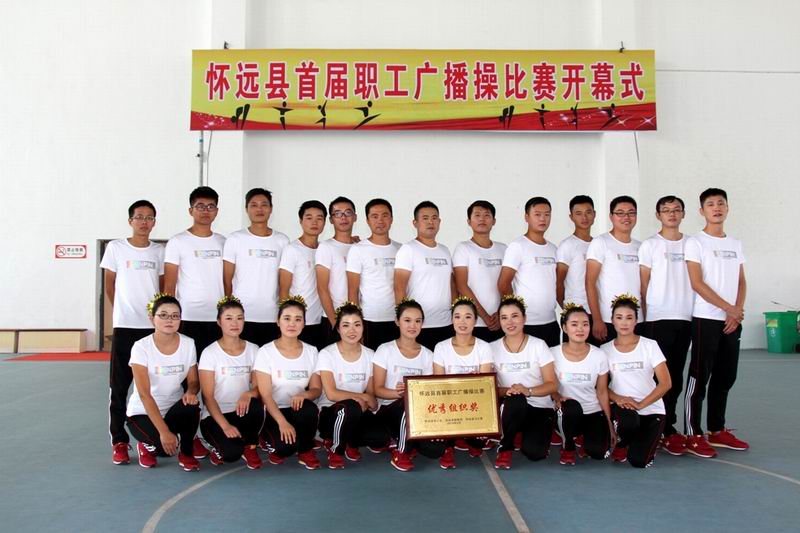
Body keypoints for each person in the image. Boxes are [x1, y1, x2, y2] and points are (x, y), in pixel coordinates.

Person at [683, 188, 749, 457]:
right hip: (706, 319)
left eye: (721, 203)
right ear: (702, 211)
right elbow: (697, 283)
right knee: (699, 378)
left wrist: (736, 311)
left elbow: (741, 281)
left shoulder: (735, 243)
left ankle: (717, 429)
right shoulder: (695, 242)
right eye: (710, 204)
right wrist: (728, 308)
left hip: (731, 320)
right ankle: (693, 433)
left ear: (727, 208)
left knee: (725, 377)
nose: (717, 208)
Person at [101, 199, 165, 465]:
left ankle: (146, 440)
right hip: (125, 327)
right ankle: (119, 441)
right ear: (130, 221)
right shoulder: (116, 248)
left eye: (149, 217)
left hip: (152, 330)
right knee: (119, 387)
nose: (144, 222)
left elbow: (162, 288)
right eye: (139, 217)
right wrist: (122, 312)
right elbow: (110, 285)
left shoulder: (159, 251)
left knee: (151, 388)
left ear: (154, 222)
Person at [639, 195, 693, 455]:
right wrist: (646, 318)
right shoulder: (650, 245)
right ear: (658, 215)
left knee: (676, 377)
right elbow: (643, 285)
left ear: (683, 214)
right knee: (657, 377)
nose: (672, 214)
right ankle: (656, 426)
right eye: (666, 210)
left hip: (685, 318)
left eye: (676, 210)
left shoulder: (692, 244)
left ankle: (669, 426)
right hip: (658, 319)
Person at [126, 294, 201, 471]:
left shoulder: (188, 344)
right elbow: (144, 394)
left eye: (175, 316)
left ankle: (187, 453)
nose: (170, 320)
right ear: (152, 318)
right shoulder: (141, 347)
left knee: (192, 405)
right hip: (143, 412)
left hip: (172, 409)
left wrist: (191, 392)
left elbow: (193, 381)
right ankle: (146, 446)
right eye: (164, 315)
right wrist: (164, 432)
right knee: (163, 450)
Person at [372, 299, 443, 472]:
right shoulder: (385, 350)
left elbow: (430, 391)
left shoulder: (428, 355)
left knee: (436, 450)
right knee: (407, 403)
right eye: (407, 320)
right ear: (397, 321)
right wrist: (399, 393)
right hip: (389, 409)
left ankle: (403, 439)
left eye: (418, 321)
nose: (413, 325)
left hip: (418, 413)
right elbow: (377, 389)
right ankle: (402, 452)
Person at [316, 303, 389, 469]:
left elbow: (372, 399)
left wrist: (366, 401)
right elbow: (332, 394)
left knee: (381, 437)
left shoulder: (370, 355)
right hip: (331, 412)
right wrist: (361, 398)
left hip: (359, 410)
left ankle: (350, 441)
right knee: (350, 408)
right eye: (346, 325)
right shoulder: (327, 354)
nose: (352, 330)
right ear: (338, 329)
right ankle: (336, 449)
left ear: (363, 327)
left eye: (357, 325)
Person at [253, 295, 322, 469]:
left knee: (309, 409)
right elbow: (265, 395)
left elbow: (316, 389)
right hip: (273, 411)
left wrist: (305, 394)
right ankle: (267, 436)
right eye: (287, 318)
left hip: (297, 409)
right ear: (278, 322)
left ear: (304, 323)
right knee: (285, 449)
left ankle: (305, 450)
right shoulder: (265, 352)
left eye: (298, 319)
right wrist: (282, 422)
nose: (292, 324)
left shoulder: (312, 351)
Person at [602, 295, 671, 468]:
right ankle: (623, 442)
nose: (624, 322)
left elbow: (665, 383)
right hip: (624, 409)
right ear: (612, 321)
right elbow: (601, 387)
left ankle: (639, 441)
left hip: (652, 409)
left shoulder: (650, 345)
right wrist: (618, 398)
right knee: (629, 422)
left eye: (629, 317)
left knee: (639, 461)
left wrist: (641, 404)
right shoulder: (605, 350)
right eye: (619, 317)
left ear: (636, 321)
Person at [490, 295, 558, 469]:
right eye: (504, 317)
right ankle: (505, 447)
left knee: (535, 453)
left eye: (515, 316)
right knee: (516, 400)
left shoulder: (539, 345)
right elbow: (489, 387)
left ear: (524, 318)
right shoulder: (491, 348)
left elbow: (552, 384)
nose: (510, 322)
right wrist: (507, 391)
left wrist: (528, 390)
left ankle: (520, 433)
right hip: (512, 405)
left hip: (539, 406)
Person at [198, 296, 264, 470]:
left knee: (256, 403)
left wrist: (249, 393)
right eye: (229, 318)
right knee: (231, 454)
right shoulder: (209, 353)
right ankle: (215, 444)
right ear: (219, 322)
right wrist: (225, 425)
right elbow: (208, 397)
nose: (235, 323)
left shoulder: (254, 350)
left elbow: (259, 387)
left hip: (241, 411)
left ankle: (250, 446)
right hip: (215, 416)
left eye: (239, 318)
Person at [222, 188, 289, 346]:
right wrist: (230, 312)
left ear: (271, 209)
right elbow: (226, 280)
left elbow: (285, 282)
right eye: (254, 205)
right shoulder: (235, 239)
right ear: (246, 209)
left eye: (264, 205)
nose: (259, 209)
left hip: (272, 316)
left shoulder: (282, 241)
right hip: (242, 317)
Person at [432, 297, 494, 468]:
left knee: (478, 443)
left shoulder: (484, 347)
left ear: (475, 320)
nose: (462, 321)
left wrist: (474, 382)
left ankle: (468, 437)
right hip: (449, 401)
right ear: (452, 320)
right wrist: (468, 381)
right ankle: (449, 446)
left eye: (468, 317)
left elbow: (485, 385)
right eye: (457, 316)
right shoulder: (441, 347)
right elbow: (439, 384)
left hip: (474, 402)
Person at [164, 186, 226, 356]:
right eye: (200, 206)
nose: (205, 211)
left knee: (214, 365)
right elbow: (169, 285)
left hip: (218, 317)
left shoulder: (224, 242)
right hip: (188, 316)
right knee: (189, 364)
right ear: (191, 210)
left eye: (210, 206)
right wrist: (170, 317)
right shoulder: (177, 242)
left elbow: (229, 280)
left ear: (217, 211)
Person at [551, 304, 615, 466]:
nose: (580, 329)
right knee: (571, 408)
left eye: (585, 324)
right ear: (564, 328)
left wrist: (609, 424)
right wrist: (557, 397)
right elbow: (549, 385)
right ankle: (568, 446)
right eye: (574, 324)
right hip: (566, 411)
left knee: (598, 453)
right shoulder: (552, 353)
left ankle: (582, 436)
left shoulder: (599, 355)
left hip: (592, 410)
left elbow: (602, 391)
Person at [498, 197, 560, 347]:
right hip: (526, 323)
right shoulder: (518, 246)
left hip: (550, 321)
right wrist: (516, 314)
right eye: (537, 214)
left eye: (547, 214)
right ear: (527, 217)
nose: (543, 219)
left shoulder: (553, 249)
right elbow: (503, 284)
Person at [395, 201, 455, 350]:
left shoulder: (445, 250)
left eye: (434, 218)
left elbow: (451, 285)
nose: (430, 222)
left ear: (439, 222)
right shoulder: (408, 249)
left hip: (445, 323)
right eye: (425, 218)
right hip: (419, 326)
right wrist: (405, 322)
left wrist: (455, 314)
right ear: (415, 223)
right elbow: (399, 287)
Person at [586, 195, 642, 343]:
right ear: (611, 216)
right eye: (620, 213)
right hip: (608, 320)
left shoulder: (640, 246)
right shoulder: (601, 242)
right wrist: (597, 320)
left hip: (636, 319)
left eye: (631, 213)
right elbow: (590, 283)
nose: (626, 217)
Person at [347, 198, 401, 350]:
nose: (380, 221)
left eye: (385, 215)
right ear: (367, 221)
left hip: (398, 320)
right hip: (369, 319)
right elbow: (352, 291)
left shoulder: (402, 249)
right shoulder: (358, 249)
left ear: (391, 219)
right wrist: (356, 324)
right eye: (375, 216)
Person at [453, 200, 507, 343]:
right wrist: (484, 317)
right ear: (469, 221)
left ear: (494, 221)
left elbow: (508, 285)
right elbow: (461, 286)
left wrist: (501, 313)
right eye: (477, 215)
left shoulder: (503, 249)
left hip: (500, 321)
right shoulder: (463, 248)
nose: (482, 219)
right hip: (474, 322)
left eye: (487, 215)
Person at [279, 200, 327, 349]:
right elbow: (283, 290)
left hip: (320, 320)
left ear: (325, 222)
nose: (314, 222)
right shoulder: (292, 249)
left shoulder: (325, 249)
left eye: (319, 218)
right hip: (299, 322)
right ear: (301, 221)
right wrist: (287, 320)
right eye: (309, 218)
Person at [316, 196, 358, 346]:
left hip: (357, 318)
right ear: (331, 220)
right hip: (333, 319)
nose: (343, 217)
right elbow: (322, 288)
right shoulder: (326, 247)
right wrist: (335, 322)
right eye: (338, 214)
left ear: (355, 217)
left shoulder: (360, 247)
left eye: (348, 213)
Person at [556, 195, 596, 343]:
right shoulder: (567, 245)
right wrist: (569, 308)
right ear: (571, 217)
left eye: (588, 212)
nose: (584, 217)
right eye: (578, 213)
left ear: (594, 214)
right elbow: (558, 283)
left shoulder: (598, 244)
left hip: (597, 312)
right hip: (576, 314)